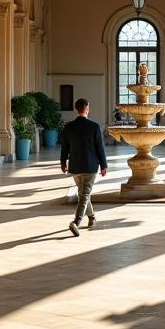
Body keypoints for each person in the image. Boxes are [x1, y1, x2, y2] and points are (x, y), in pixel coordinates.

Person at [60, 98, 107, 236]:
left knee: (83, 193)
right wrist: (103, 165)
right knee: (84, 194)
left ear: (76, 109)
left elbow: (64, 147)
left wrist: (63, 162)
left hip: (75, 166)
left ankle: (91, 217)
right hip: (90, 165)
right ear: (87, 109)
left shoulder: (69, 127)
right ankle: (77, 222)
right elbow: (100, 148)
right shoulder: (94, 126)